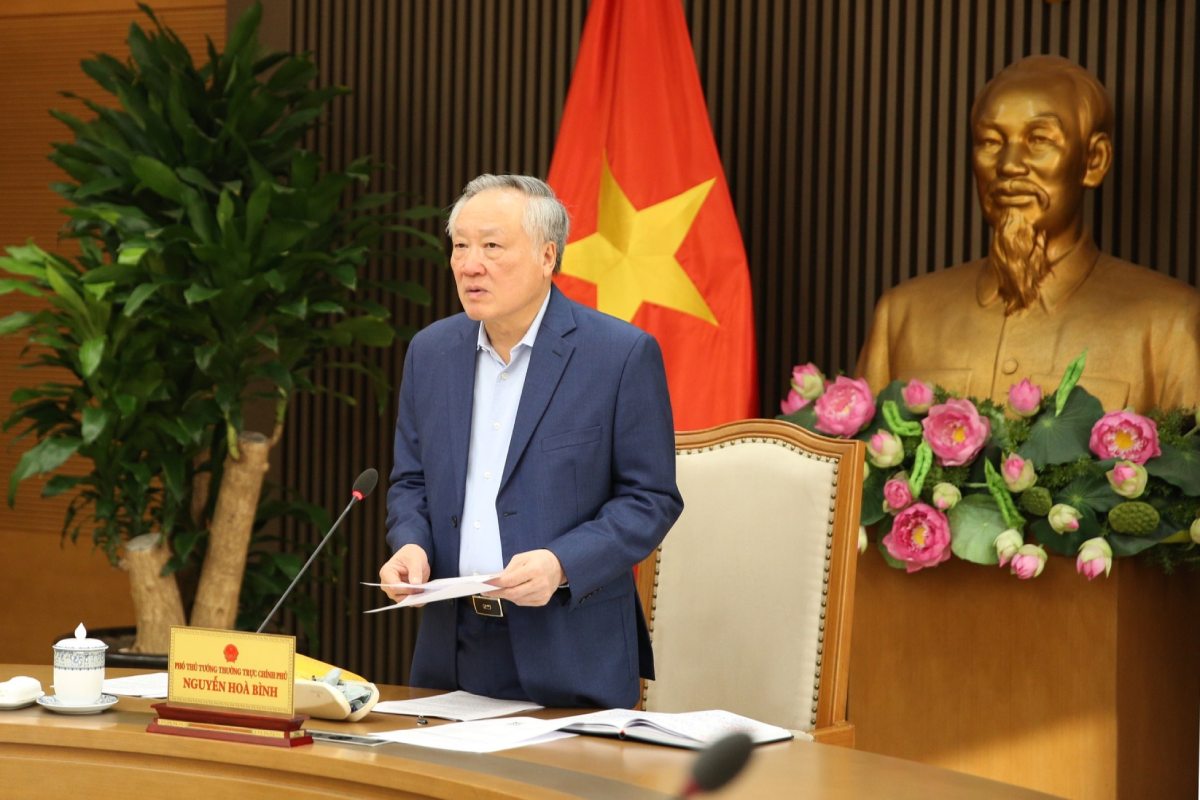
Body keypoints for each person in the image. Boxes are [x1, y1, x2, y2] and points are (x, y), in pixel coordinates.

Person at [378, 174, 683, 709]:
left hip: (571, 652)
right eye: (460, 246)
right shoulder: (431, 352)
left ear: (547, 256)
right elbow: (412, 481)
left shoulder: (618, 355)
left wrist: (561, 563)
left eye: (492, 246)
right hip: (451, 649)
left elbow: (650, 499)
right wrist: (411, 544)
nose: (470, 265)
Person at [857, 56, 1200, 412]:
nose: (1008, 165)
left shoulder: (1170, 324)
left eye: (1038, 139)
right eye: (990, 141)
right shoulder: (902, 316)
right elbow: (858, 448)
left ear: (1094, 160)